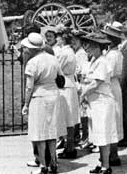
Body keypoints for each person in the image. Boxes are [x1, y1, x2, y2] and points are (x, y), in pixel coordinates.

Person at [21, 32, 61, 174]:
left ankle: (43, 165)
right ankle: (54, 163)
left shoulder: (32, 63)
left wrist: (26, 104)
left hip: (39, 97)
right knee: (51, 132)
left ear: (32, 49)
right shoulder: (53, 58)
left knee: (39, 133)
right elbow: (60, 78)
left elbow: (29, 86)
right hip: (53, 95)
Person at [80, 32, 117, 174]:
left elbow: (96, 83)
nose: (88, 48)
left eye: (91, 45)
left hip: (102, 102)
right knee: (97, 133)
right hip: (95, 102)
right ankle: (102, 161)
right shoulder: (95, 60)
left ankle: (106, 166)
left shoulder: (102, 61)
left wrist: (83, 94)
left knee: (103, 133)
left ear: (97, 47)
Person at [101, 23, 124, 166]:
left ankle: (113, 154)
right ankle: (112, 153)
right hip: (114, 85)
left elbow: (106, 74)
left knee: (112, 118)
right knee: (114, 117)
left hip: (110, 86)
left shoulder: (112, 55)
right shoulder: (114, 53)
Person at [56, 28, 80, 159]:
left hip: (65, 84)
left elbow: (57, 68)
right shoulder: (70, 51)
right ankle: (69, 145)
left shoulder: (64, 53)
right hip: (69, 83)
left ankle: (69, 147)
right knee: (70, 118)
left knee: (68, 118)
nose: (57, 39)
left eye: (58, 37)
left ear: (63, 39)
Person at [72, 30, 90, 147]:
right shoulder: (76, 52)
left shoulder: (81, 53)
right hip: (76, 81)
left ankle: (85, 136)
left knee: (83, 112)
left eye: (76, 40)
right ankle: (79, 135)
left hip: (81, 83)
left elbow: (82, 69)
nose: (73, 42)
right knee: (80, 111)